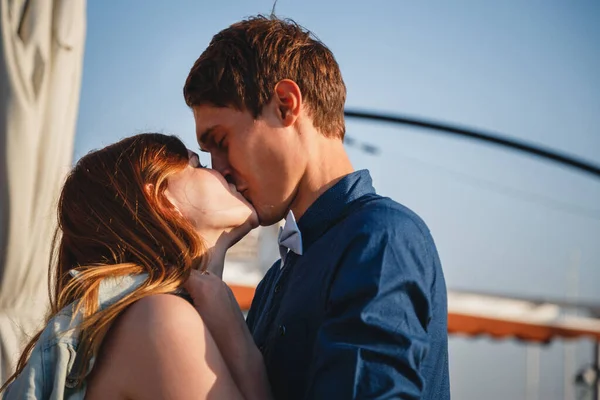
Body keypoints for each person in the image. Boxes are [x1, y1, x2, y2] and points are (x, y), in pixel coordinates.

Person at [183, 15, 450, 399]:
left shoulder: (380, 238)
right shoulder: (275, 280)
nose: (219, 171)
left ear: (286, 105)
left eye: (222, 140)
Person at [0, 133, 273, 399]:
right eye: (197, 165)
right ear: (162, 199)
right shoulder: (159, 320)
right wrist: (240, 344)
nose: (222, 171)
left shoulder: (144, 318)